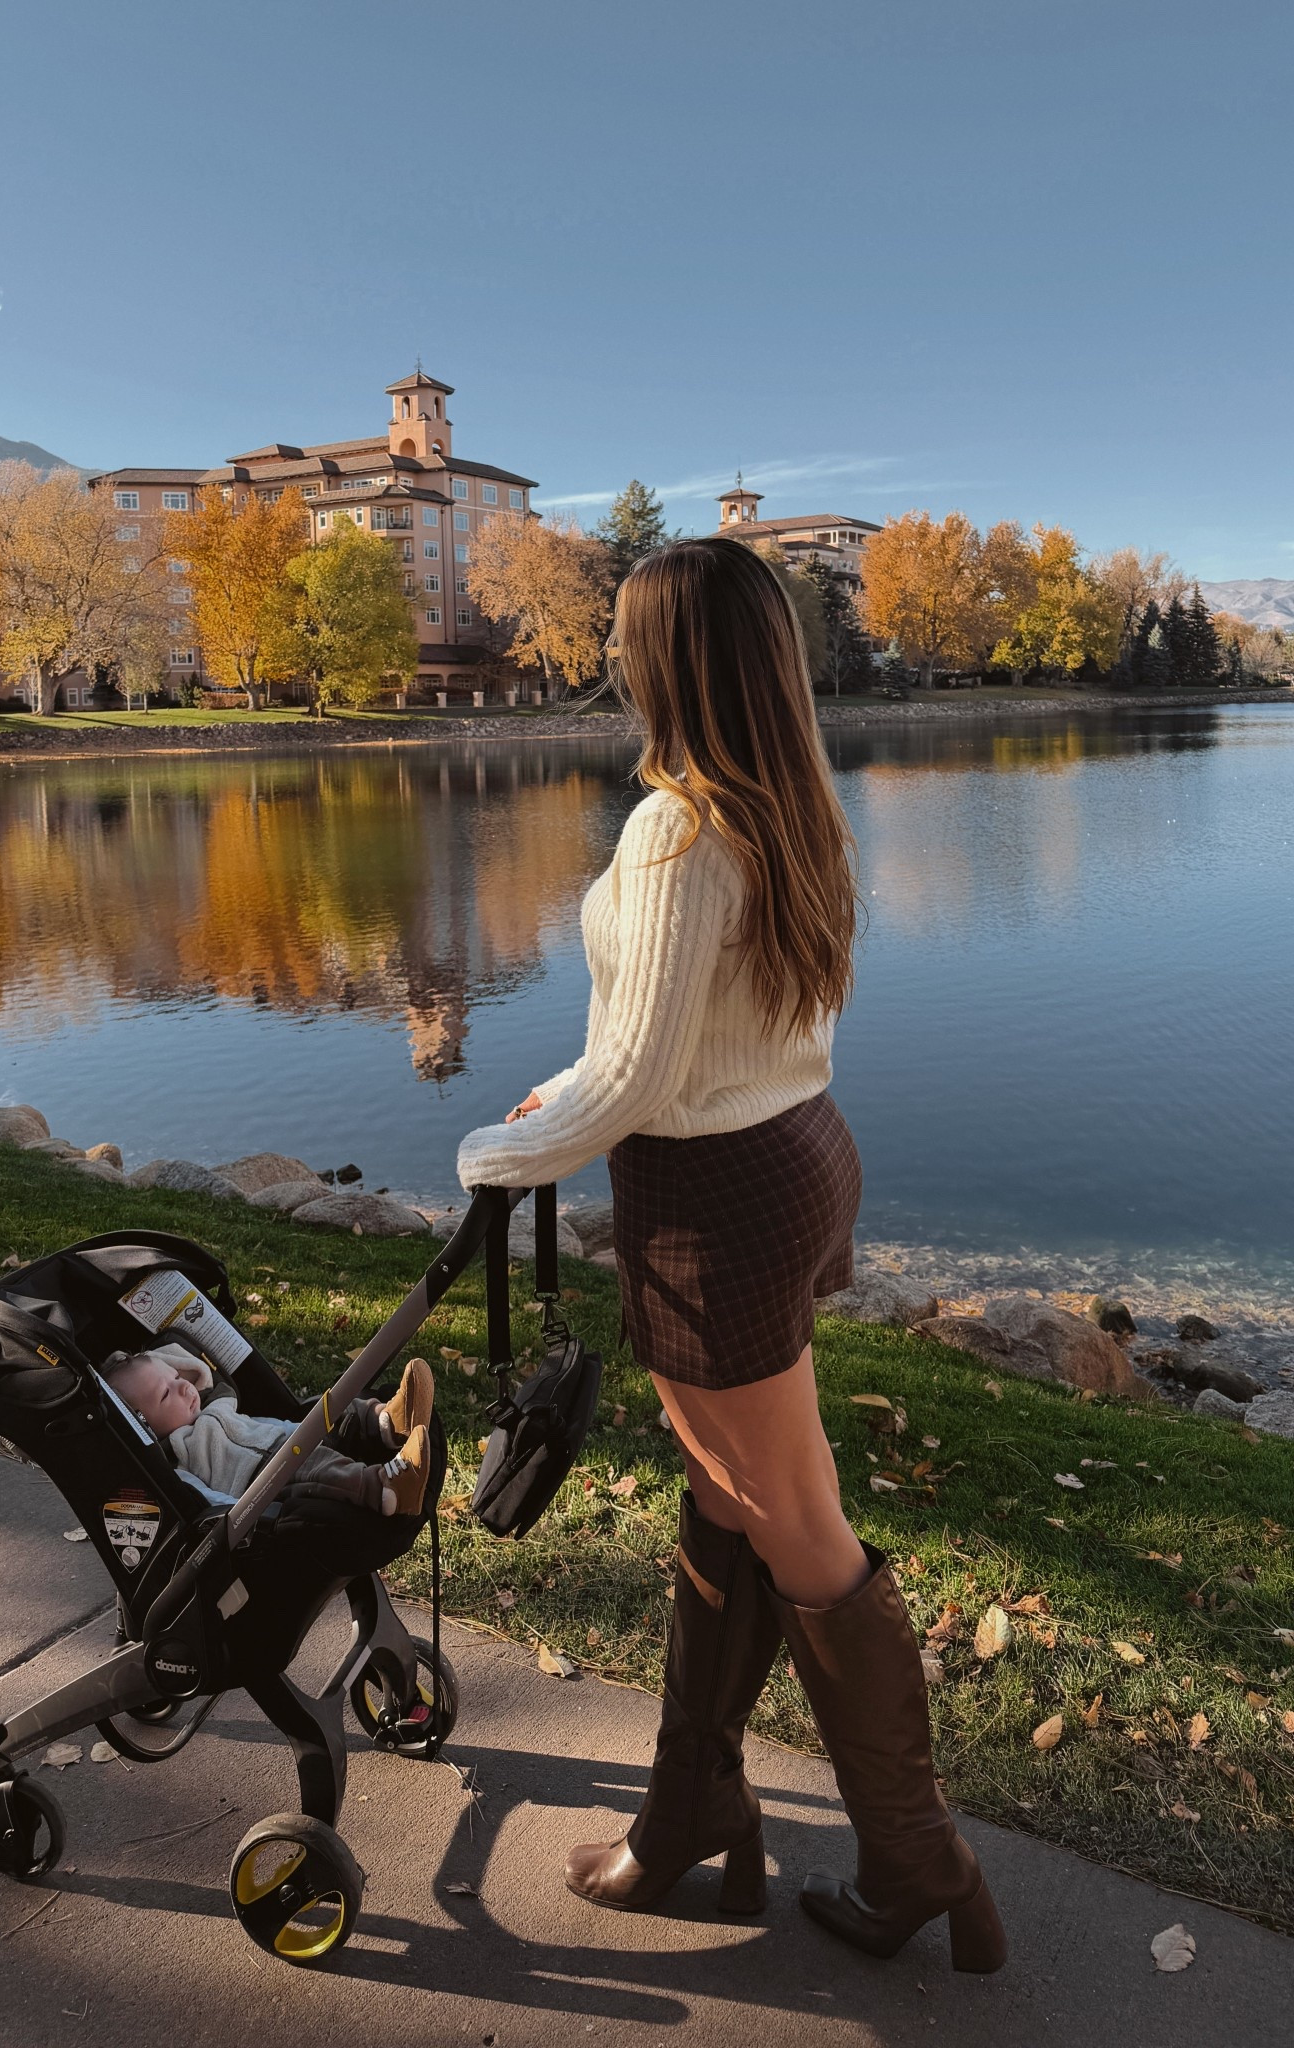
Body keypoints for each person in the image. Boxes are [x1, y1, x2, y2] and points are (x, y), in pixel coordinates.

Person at [456, 539, 1005, 1973]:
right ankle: (689, 1810)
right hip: (792, 1154)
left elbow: (642, 1083)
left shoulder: (676, 831)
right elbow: (680, 1032)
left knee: (798, 1528)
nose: (618, 659)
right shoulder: (788, 805)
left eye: (631, 640)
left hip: (712, 1198)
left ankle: (917, 1851)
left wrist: (492, 1156)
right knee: (736, 1501)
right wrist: (561, 1098)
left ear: (669, 663)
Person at [106, 1345, 433, 1519]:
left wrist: (146, 1363)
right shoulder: (178, 1461)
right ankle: (383, 1489)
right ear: (144, 1426)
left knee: (332, 1411)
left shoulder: (213, 1408)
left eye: (177, 1377)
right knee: (322, 1469)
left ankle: (388, 1421)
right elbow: (200, 1504)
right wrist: (240, 1512)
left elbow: (187, 1367)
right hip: (265, 1479)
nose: (182, 1388)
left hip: (286, 1439)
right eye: (166, 1395)